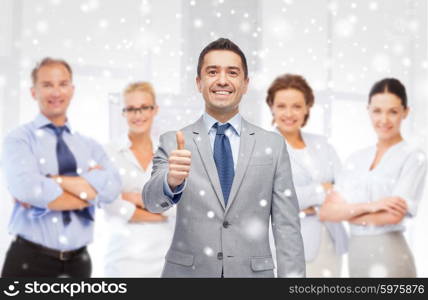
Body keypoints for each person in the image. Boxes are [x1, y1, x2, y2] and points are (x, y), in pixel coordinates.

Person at [143, 38, 305, 278]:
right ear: (199, 82)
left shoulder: (272, 145)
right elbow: (151, 202)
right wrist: (171, 181)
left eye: (232, 72)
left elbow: (286, 226)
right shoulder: (174, 141)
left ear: (245, 83)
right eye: (212, 72)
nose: (222, 80)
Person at [1, 57, 121, 277]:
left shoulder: (90, 145)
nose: (56, 93)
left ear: (72, 89)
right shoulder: (19, 139)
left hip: (79, 264)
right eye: (47, 85)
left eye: (62, 84)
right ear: (33, 92)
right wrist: (90, 192)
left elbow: (113, 189)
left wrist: (54, 180)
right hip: (29, 262)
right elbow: (28, 189)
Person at [319, 78, 426, 277]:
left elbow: (394, 215)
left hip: (392, 257)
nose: (384, 119)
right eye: (377, 111)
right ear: (368, 110)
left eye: (393, 112)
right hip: (357, 257)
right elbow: (326, 212)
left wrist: (347, 214)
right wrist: (372, 207)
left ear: (405, 112)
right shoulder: (356, 159)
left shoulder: (413, 156)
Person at [266, 74, 348, 277]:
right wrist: (323, 190)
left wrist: (308, 201)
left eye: (296, 106)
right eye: (282, 106)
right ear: (272, 107)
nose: (289, 113)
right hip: (290, 246)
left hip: (331, 242)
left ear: (307, 107)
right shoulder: (264, 147)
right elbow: (277, 199)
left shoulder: (322, 144)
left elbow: (346, 188)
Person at [103, 82, 175, 277]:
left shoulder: (170, 152)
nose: (138, 115)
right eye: (131, 109)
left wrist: (133, 199)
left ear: (155, 110)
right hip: (122, 258)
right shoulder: (109, 152)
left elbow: (180, 204)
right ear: (123, 112)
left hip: (164, 256)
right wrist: (158, 208)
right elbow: (109, 202)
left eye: (144, 107)